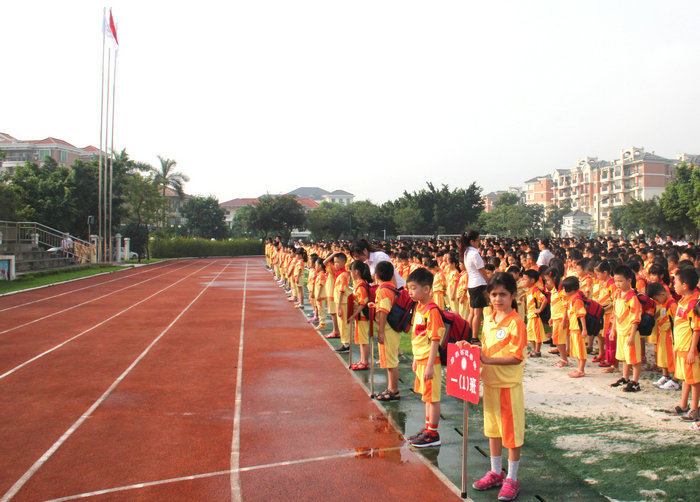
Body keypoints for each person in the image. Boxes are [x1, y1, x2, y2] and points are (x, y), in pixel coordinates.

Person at [463, 272, 526, 502]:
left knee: (511, 434)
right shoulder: (489, 318)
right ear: (488, 296)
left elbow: (516, 357)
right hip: (489, 383)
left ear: (513, 295)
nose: (498, 299)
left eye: (503, 294)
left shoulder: (516, 322)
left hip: (507, 385)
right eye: (494, 294)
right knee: (493, 430)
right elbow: (486, 348)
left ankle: (512, 478)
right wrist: (470, 349)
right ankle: (496, 471)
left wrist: (488, 360)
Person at [405, 267, 444, 448]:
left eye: (413, 288)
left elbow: (435, 338)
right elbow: (418, 335)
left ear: (426, 289)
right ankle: (428, 428)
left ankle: (433, 433)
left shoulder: (432, 311)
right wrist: (415, 358)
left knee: (433, 399)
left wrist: (429, 365)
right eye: (409, 288)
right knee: (427, 398)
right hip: (421, 359)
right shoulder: (420, 307)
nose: (410, 292)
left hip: (430, 361)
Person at [667, 268, 700, 422]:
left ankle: (694, 409)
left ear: (685, 285)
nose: (674, 285)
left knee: (694, 380)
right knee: (686, 378)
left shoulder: (693, 303)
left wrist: (692, 351)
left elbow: (696, 329)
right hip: (681, 347)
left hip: (688, 348)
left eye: (676, 283)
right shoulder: (682, 301)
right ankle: (683, 405)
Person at [609, 265, 643, 392]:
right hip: (621, 331)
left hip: (630, 332)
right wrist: (613, 330)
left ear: (629, 280)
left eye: (620, 281)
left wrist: (632, 335)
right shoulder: (617, 295)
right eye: (616, 281)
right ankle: (625, 377)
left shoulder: (632, 298)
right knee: (624, 357)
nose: (617, 284)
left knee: (634, 359)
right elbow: (615, 314)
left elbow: (635, 318)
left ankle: (635, 381)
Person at [374, 260, 402, 401]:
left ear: (376, 276)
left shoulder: (384, 290)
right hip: (391, 329)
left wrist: (380, 332)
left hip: (388, 329)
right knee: (389, 360)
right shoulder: (389, 288)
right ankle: (390, 388)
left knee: (391, 362)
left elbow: (384, 311)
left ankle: (394, 390)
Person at [646, 282, 679, 390]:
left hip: (671, 336)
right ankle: (666, 376)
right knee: (663, 356)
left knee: (672, 357)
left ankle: (675, 380)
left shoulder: (672, 304)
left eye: (656, 299)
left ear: (662, 294)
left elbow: (677, 321)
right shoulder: (664, 304)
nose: (657, 302)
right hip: (662, 335)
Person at [461, 230, 489, 343]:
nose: (479, 243)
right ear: (472, 241)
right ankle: (474, 337)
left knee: (472, 313)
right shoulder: (474, 253)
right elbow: (482, 270)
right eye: (478, 241)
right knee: (478, 313)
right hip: (479, 284)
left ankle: (469, 335)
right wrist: (489, 281)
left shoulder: (466, 252)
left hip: (472, 284)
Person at [346, 261, 372, 370]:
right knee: (361, 339)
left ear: (356, 272)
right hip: (359, 317)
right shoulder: (358, 284)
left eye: (351, 271)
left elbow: (363, 303)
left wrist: (353, 315)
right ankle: (362, 360)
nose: (350, 273)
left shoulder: (361, 286)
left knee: (363, 340)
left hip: (362, 317)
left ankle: (365, 361)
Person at [561, 276, 588, 378]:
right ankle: (579, 368)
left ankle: (581, 370)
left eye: (565, 289)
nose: (563, 291)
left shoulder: (577, 300)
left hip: (578, 329)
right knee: (577, 349)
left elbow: (581, 315)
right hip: (573, 328)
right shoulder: (571, 299)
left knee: (580, 349)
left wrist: (584, 329)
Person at [523, 269, 547, 358]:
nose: (523, 281)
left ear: (532, 280)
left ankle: (537, 351)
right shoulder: (530, 290)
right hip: (530, 316)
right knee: (530, 334)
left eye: (525, 279)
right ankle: (534, 350)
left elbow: (544, 299)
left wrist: (539, 309)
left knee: (537, 334)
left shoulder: (536, 290)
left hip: (535, 316)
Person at [332, 253, 352, 353]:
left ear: (344, 262)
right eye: (335, 262)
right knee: (341, 324)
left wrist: (339, 306)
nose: (335, 264)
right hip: (339, 302)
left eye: (338, 262)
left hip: (343, 303)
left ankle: (346, 344)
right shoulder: (340, 274)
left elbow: (342, 291)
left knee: (344, 324)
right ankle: (344, 342)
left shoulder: (344, 275)